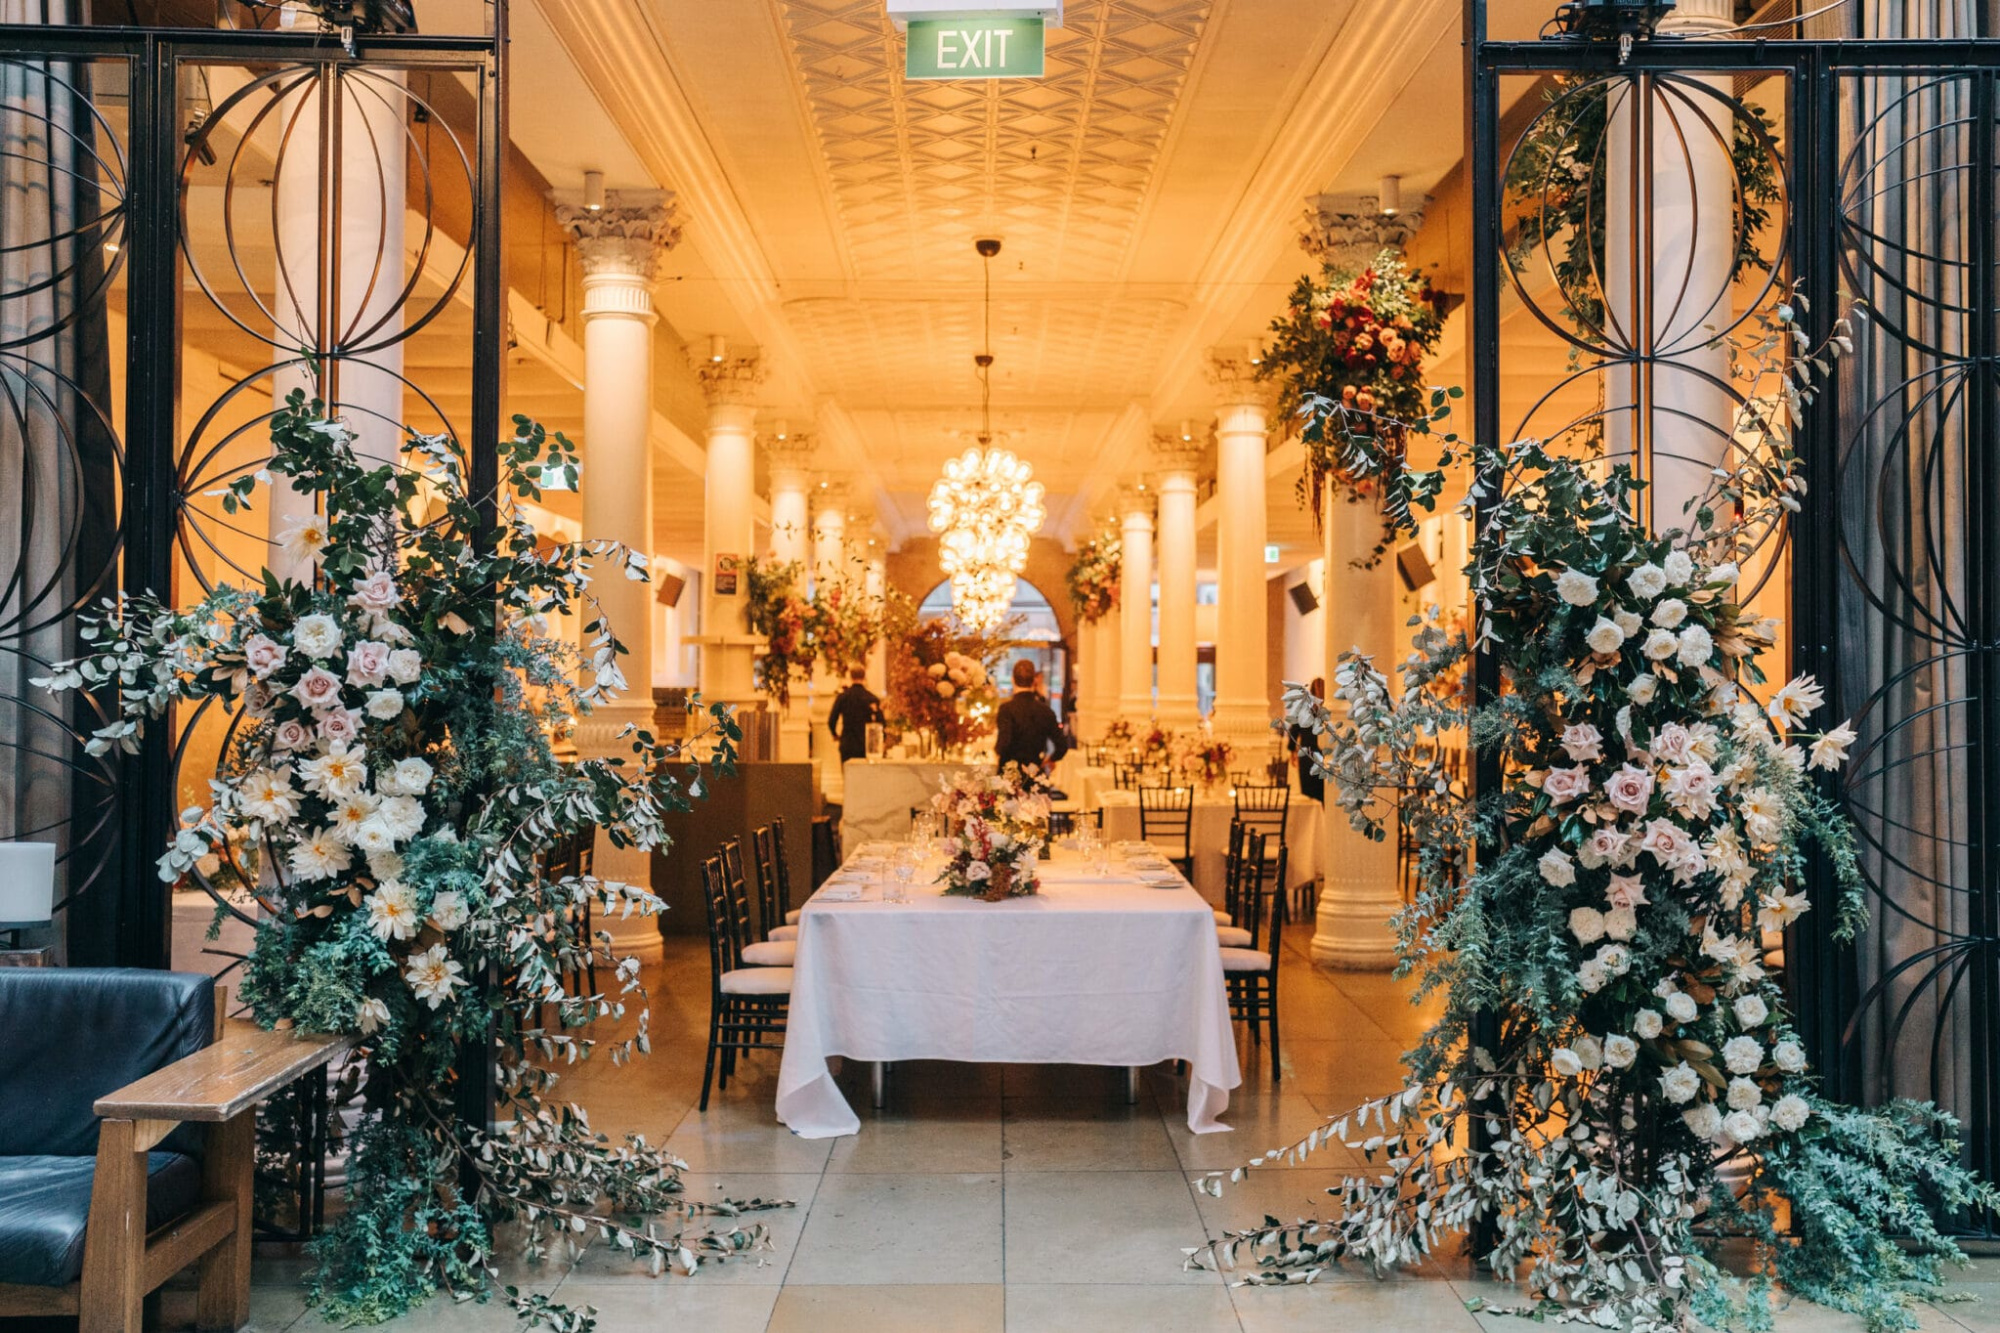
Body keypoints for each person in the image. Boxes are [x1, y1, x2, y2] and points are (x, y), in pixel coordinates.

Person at [995, 659, 1070, 779]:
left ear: (1012, 680)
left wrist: (996, 751)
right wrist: (1050, 759)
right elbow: (1062, 746)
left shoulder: (1006, 709)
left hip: (1008, 776)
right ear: (1034, 681)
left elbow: (1003, 744)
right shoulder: (1045, 711)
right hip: (1033, 772)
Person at [826, 665, 883, 765]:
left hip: (847, 743)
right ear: (864, 676)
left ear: (851, 677)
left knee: (847, 772)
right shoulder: (871, 698)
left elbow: (832, 720)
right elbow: (880, 722)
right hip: (864, 744)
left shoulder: (843, 697)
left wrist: (835, 735)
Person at [1291, 676, 1326, 802]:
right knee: (1323, 795)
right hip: (1323, 756)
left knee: (1309, 796)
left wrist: (1291, 750)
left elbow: (1293, 730)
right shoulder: (1328, 710)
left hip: (1306, 756)